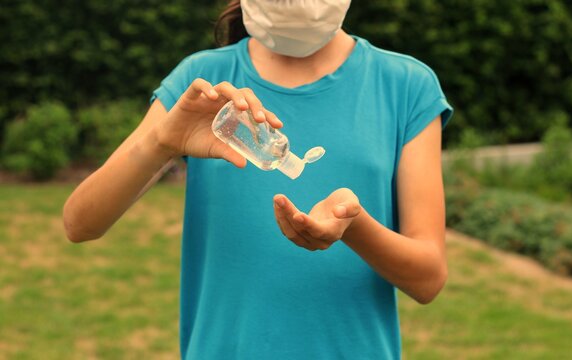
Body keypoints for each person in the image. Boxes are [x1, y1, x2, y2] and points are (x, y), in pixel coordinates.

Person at [63, 0, 453, 358]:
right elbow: (80, 223)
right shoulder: (203, 80)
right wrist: (160, 143)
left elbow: (428, 278)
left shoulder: (406, 85)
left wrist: (354, 227)